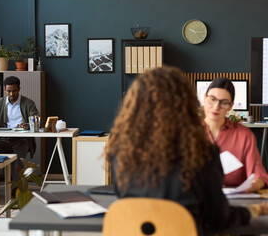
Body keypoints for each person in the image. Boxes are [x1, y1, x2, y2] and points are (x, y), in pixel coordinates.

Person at [105, 66, 268, 235]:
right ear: (187, 103)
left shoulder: (123, 152)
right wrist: (251, 211)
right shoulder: (202, 153)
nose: (217, 106)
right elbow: (219, 218)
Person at [0, 76, 39, 196]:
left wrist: (26, 125)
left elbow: (36, 119)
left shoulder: (28, 103)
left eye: (14, 90)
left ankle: (16, 189)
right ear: (5, 89)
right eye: (9, 91)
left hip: (21, 140)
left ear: (19, 89)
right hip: (2, 140)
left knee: (18, 159)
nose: (11, 94)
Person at [203, 77, 268, 192]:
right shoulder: (188, 131)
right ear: (204, 98)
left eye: (223, 102)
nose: (216, 107)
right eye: (212, 99)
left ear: (230, 106)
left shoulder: (244, 135)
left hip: (234, 199)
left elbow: (259, 174)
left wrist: (255, 184)